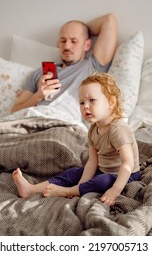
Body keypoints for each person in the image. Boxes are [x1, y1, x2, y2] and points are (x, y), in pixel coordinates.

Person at [12, 72, 140, 206]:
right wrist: (80, 185)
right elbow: (92, 161)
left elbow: (127, 164)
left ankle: (66, 191)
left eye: (92, 100)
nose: (85, 106)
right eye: (82, 102)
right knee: (73, 172)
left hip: (125, 175)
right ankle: (31, 190)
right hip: (103, 170)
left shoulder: (117, 129)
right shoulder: (92, 129)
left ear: (111, 102)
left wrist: (115, 190)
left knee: (102, 181)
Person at [11, 14, 117, 125]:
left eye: (74, 41)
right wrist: (38, 96)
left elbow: (109, 20)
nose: (67, 46)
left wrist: (82, 29)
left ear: (86, 45)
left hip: (63, 123)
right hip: (32, 120)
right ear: (58, 44)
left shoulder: (93, 66)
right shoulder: (39, 73)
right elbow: (14, 111)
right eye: (63, 40)